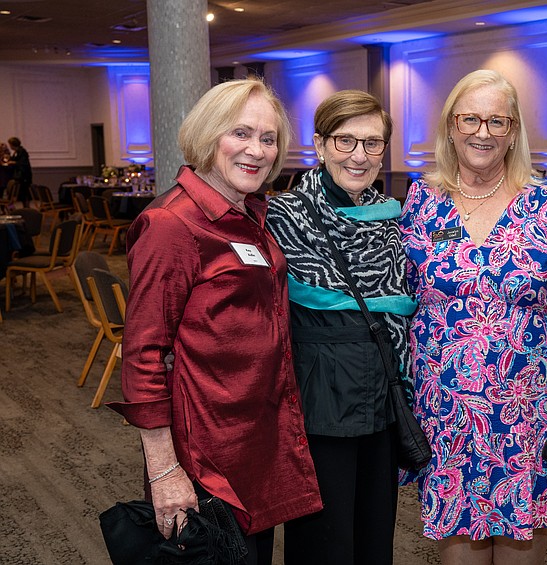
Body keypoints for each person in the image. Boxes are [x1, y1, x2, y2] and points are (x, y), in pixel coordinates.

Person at [107, 78, 322, 565]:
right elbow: (141, 355)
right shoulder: (172, 224)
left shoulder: (250, 215)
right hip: (205, 456)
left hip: (258, 440)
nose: (257, 150)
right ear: (208, 136)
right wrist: (164, 472)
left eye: (269, 139)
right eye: (240, 133)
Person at [399, 69, 547, 565]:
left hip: (526, 408)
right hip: (446, 407)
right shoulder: (421, 203)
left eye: (497, 121)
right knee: (457, 542)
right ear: (450, 126)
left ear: (513, 132)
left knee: (521, 539)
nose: (482, 132)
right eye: (469, 118)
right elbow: (400, 298)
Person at [265, 90, 415, 565]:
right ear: (320, 144)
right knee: (324, 543)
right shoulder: (282, 216)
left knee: (375, 539)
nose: (359, 156)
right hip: (319, 402)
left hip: (381, 399)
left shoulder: (393, 219)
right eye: (345, 141)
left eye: (372, 144)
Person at [7, 137, 32, 206]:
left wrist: (13, 162)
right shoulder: (16, 152)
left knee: (24, 193)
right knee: (18, 193)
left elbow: (23, 163)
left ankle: (26, 207)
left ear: (13, 144)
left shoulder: (22, 152)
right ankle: (12, 207)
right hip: (20, 176)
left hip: (24, 176)